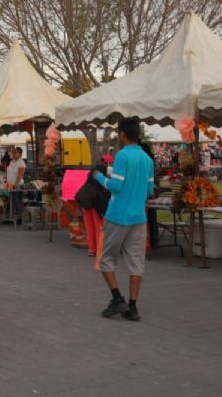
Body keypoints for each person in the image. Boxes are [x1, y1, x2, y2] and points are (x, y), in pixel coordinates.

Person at [92, 117, 154, 322]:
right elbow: (149, 190)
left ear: (122, 134)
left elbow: (116, 186)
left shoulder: (122, 156)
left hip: (117, 215)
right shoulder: (147, 159)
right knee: (136, 261)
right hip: (138, 217)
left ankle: (117, 298)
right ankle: (133, 306)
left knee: (105, 258)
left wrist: (98, 177)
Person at [75, 163, 111, 257]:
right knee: (99, 227)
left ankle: (91, 249)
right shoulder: (100, 184)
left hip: (86, 205)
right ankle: (100, 249)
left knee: (89, 227)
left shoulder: (88, 182)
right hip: (96, 206)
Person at [6, 147, 26, 225]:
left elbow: (19, 175)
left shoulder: (21, 162)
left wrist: (15, 185)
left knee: (18, 202)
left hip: (17, 185)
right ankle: (11, 218)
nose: (13, 154)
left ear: (20, 154)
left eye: (15, 153)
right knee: (12, 202)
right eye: (13, 152)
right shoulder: (11, 162)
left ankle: (20, 218)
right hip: (10, 185)